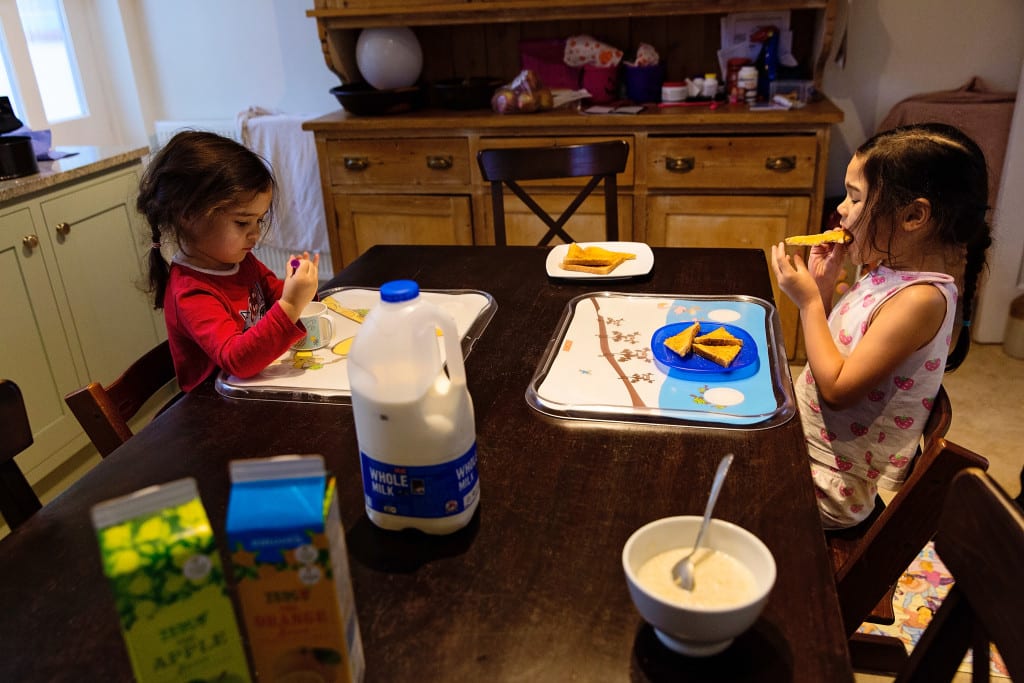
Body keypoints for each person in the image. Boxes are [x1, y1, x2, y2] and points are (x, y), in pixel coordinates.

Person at [771, 123, 992, 529]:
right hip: (802, 447)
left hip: (828, 486)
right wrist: (821, 292)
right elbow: (835, 356)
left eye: (856, 198)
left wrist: (806, 305)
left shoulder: (920, 300)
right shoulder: (884, 270)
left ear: (913, 216)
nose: (840, 209)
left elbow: (837, 390)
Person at [138, 131, 321, 392]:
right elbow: (238, 361)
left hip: (250, 392)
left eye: (259, 220)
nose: (255, 233)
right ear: (189, 214)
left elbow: (274, 295)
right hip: (214, 412)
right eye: (242, 222)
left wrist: (301, 289)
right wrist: (291, 304)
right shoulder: (190, 291)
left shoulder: (240, 261)